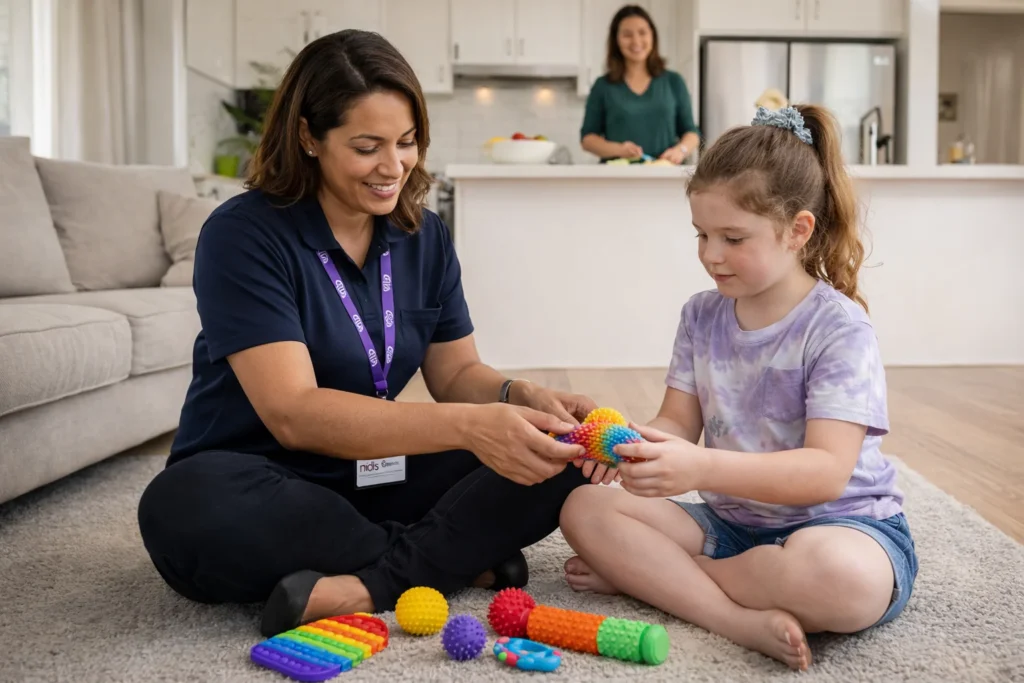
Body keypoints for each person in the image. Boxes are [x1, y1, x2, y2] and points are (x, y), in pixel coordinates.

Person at [136, 29, 619, 639]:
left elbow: (456, 375)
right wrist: (471, 427)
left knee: (562, 456)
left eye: (408, 142)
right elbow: (295, 414)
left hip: (372, 470)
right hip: (259, 474)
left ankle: (369, 582)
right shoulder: (243, 235)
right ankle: (445, 559)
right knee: (180, 509)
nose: (393, 167)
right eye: (368, 147)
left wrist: (518, 399)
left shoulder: (426, 235)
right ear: (308, 137)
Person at [558, 104, 918, 671]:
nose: (710, 254)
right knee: (583, 510)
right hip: (729, 527)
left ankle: (666, 582)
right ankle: (735, 618)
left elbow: (825, 471)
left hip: (841, 527)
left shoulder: (838, 327)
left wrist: (698, 470)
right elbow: (678, 421)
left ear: (798, 230)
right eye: (701, 234)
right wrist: (636, 444)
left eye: (732, 237)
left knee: (845, 581)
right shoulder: (701, 316)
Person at [580, 4, 700, 164]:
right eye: (627, 35)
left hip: (664, 176)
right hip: (616, 178)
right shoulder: (603, 86)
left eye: (642, 32)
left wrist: (681, 150)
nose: (636, 41)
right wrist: (619, 150)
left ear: (652, 36)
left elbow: (692, 132)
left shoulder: (674, 81)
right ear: (616, 40)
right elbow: (588, 139)